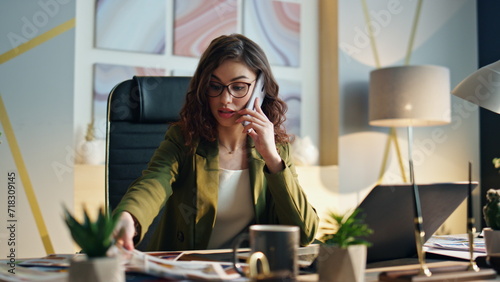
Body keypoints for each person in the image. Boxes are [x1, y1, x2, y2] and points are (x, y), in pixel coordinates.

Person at [113, 33, 319, 251]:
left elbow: (304, 233)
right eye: (214, 86)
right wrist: (128, 218)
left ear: (260, 87)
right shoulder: (184, 139)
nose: (225, 99)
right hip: (188, 271)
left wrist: (272, 159)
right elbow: (154, 182)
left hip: (247, 271)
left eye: (238, 87)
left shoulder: (276, 149)